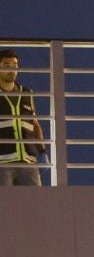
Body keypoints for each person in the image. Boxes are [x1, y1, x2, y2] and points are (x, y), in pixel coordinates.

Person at [0, 49, 44, 187]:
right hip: (2, 163)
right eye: (6, 65)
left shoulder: (27, 93)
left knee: (35, 205)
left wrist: (42, 151)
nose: (12, 69)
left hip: (29, 162)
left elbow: (35, 124)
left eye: (15, 65)